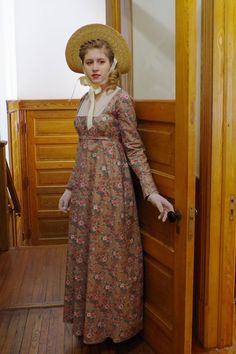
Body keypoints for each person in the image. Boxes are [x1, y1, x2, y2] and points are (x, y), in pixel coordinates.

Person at [58, 23, 174, 345]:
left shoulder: (121, 100)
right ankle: (89, 327)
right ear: (83, 66)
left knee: (112, 256)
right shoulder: (84, 99)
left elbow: (135, 148)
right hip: (84, 191)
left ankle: (117, 330)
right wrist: (70, 188)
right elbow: (82, 150)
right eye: (89, 62)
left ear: (112, 65)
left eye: (101, 62)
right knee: (86, 255)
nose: (95, 68)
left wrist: (150, 192)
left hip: (112, 189)